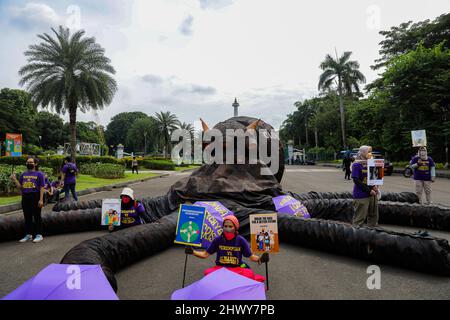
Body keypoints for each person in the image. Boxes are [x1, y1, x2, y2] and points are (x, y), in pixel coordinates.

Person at [186, 215, 269, 282]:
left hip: (236, 269)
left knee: (249, 274)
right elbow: (204, 254)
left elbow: (251, 256)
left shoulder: (241, 240)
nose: (227, 228)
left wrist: (261, 259)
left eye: (230, 226)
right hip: (220, 269)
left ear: (235, 227)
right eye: (225, 226)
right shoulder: (217, 240)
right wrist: (193, 252)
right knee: (207, 273)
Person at [10, 157, 45, 243]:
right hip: (25, 197)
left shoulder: (39, 174)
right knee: (27, 217)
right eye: (28, 162)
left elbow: (42, 187)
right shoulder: (23, 174)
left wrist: (41, 200)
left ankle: (39, 234)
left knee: (37, 216)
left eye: (31, 162)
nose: (29, 163)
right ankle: (28, 235)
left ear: (35, 164)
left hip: (35, 196)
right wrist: (14, 179)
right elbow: (20, 187)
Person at [351, 146, 379, 227]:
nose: (370, 154)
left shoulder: (371, 163)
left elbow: (373, 178)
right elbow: (356, 181)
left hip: (372, 194)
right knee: (359, 219)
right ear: (362, 152)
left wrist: (374, 186)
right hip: (361, 195)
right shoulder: (356, 164)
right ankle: (356, 235)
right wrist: (368, 190)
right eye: (368, 152)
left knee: (373, 216)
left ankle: (371, 234)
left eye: (371, 152)